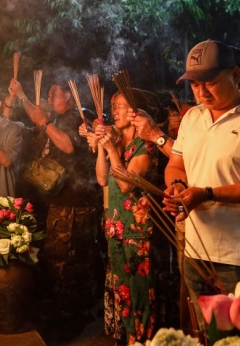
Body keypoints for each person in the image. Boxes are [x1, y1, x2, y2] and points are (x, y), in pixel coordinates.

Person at [162, 39, 240, 325]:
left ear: (234, 75)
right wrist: (178, 186)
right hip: (197, 252)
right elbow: (176, 164)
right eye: (195, 84)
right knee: (209, 336)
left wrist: (207, 194)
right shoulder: (192, 118)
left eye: (210, 82)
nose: (201, 91)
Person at [9, 77, 103, 322]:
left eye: (53, 94)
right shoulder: (59, 118)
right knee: (63, 255)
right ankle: (72, 305)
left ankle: (70, 309)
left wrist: (44, 121)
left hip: (75, 201)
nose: (49, 99)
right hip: (61, 200)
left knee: (67, 257)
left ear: (68, 96)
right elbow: (36, 117)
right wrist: (21, 97)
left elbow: (68, 146)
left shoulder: (77, 116)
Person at [90, 88, 158, 344]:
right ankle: (129, 338)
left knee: (141, 292)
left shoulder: (146, 145)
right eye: (113, 105)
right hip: (116, 226)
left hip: (139, 231)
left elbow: (127, 184)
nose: (114, 111)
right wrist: (102, 148)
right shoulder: (118, 142)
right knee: (123, 291)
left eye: (120, 105)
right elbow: (101, 178)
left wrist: (112, 149)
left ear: (135, 111)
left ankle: (143, 341)